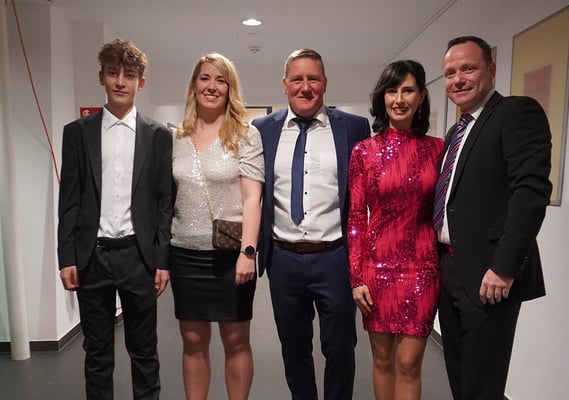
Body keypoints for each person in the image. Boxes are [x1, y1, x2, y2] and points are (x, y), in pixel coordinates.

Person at [436, 36, 552, 399]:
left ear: (491, 69)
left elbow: (530, 193)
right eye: (450, 73)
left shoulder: (516, 113)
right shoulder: (455, 132)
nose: (458, 79)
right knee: (459, 377)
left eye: (468, 69)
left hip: (489, 275)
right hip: (449, 269)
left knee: (483, 385)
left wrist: (504, 267)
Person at [252, 48, 371, 400]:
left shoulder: (354, 127)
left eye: (313, 79)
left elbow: (363, 194)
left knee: (340, 348)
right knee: (294, 349)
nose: (305, 87)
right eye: (297, 79)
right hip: (283, 258)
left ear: (325, 82)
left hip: (335, 257)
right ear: (284, 84)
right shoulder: (262, 129)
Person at [57, 39, 172, 400]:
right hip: (91, 257)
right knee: (97, 353)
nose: (121, 81)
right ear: (102, 77)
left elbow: (164, 202)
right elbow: (70, 199)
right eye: (113, 73)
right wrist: (66, 256)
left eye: (130, 75)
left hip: (139, 257)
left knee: (144, 351)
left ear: (141, 82)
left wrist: (162, 260)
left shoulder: (159, 135)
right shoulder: (77, 133)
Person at [169, 53, 264, 400]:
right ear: (194, 85)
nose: (212, 86)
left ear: (229, 88)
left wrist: (248, 252)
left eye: (220, 80)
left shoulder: (246, 135)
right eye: (205, 78)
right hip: (184, 252)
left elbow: (252, 198)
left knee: (236, 340)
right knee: (192, 340)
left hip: (230, 254)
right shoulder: (176, 137)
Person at [347, 60, 444, 400]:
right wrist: (356, 276)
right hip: (376, 269)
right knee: (384, 360)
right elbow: (356, 217)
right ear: (382, 97)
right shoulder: (363, 151)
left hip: (422, 268)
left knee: (409, 362)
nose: (399, 99)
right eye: (392, 91)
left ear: (422, 97)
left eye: (408, 90)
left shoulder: (438, 149)